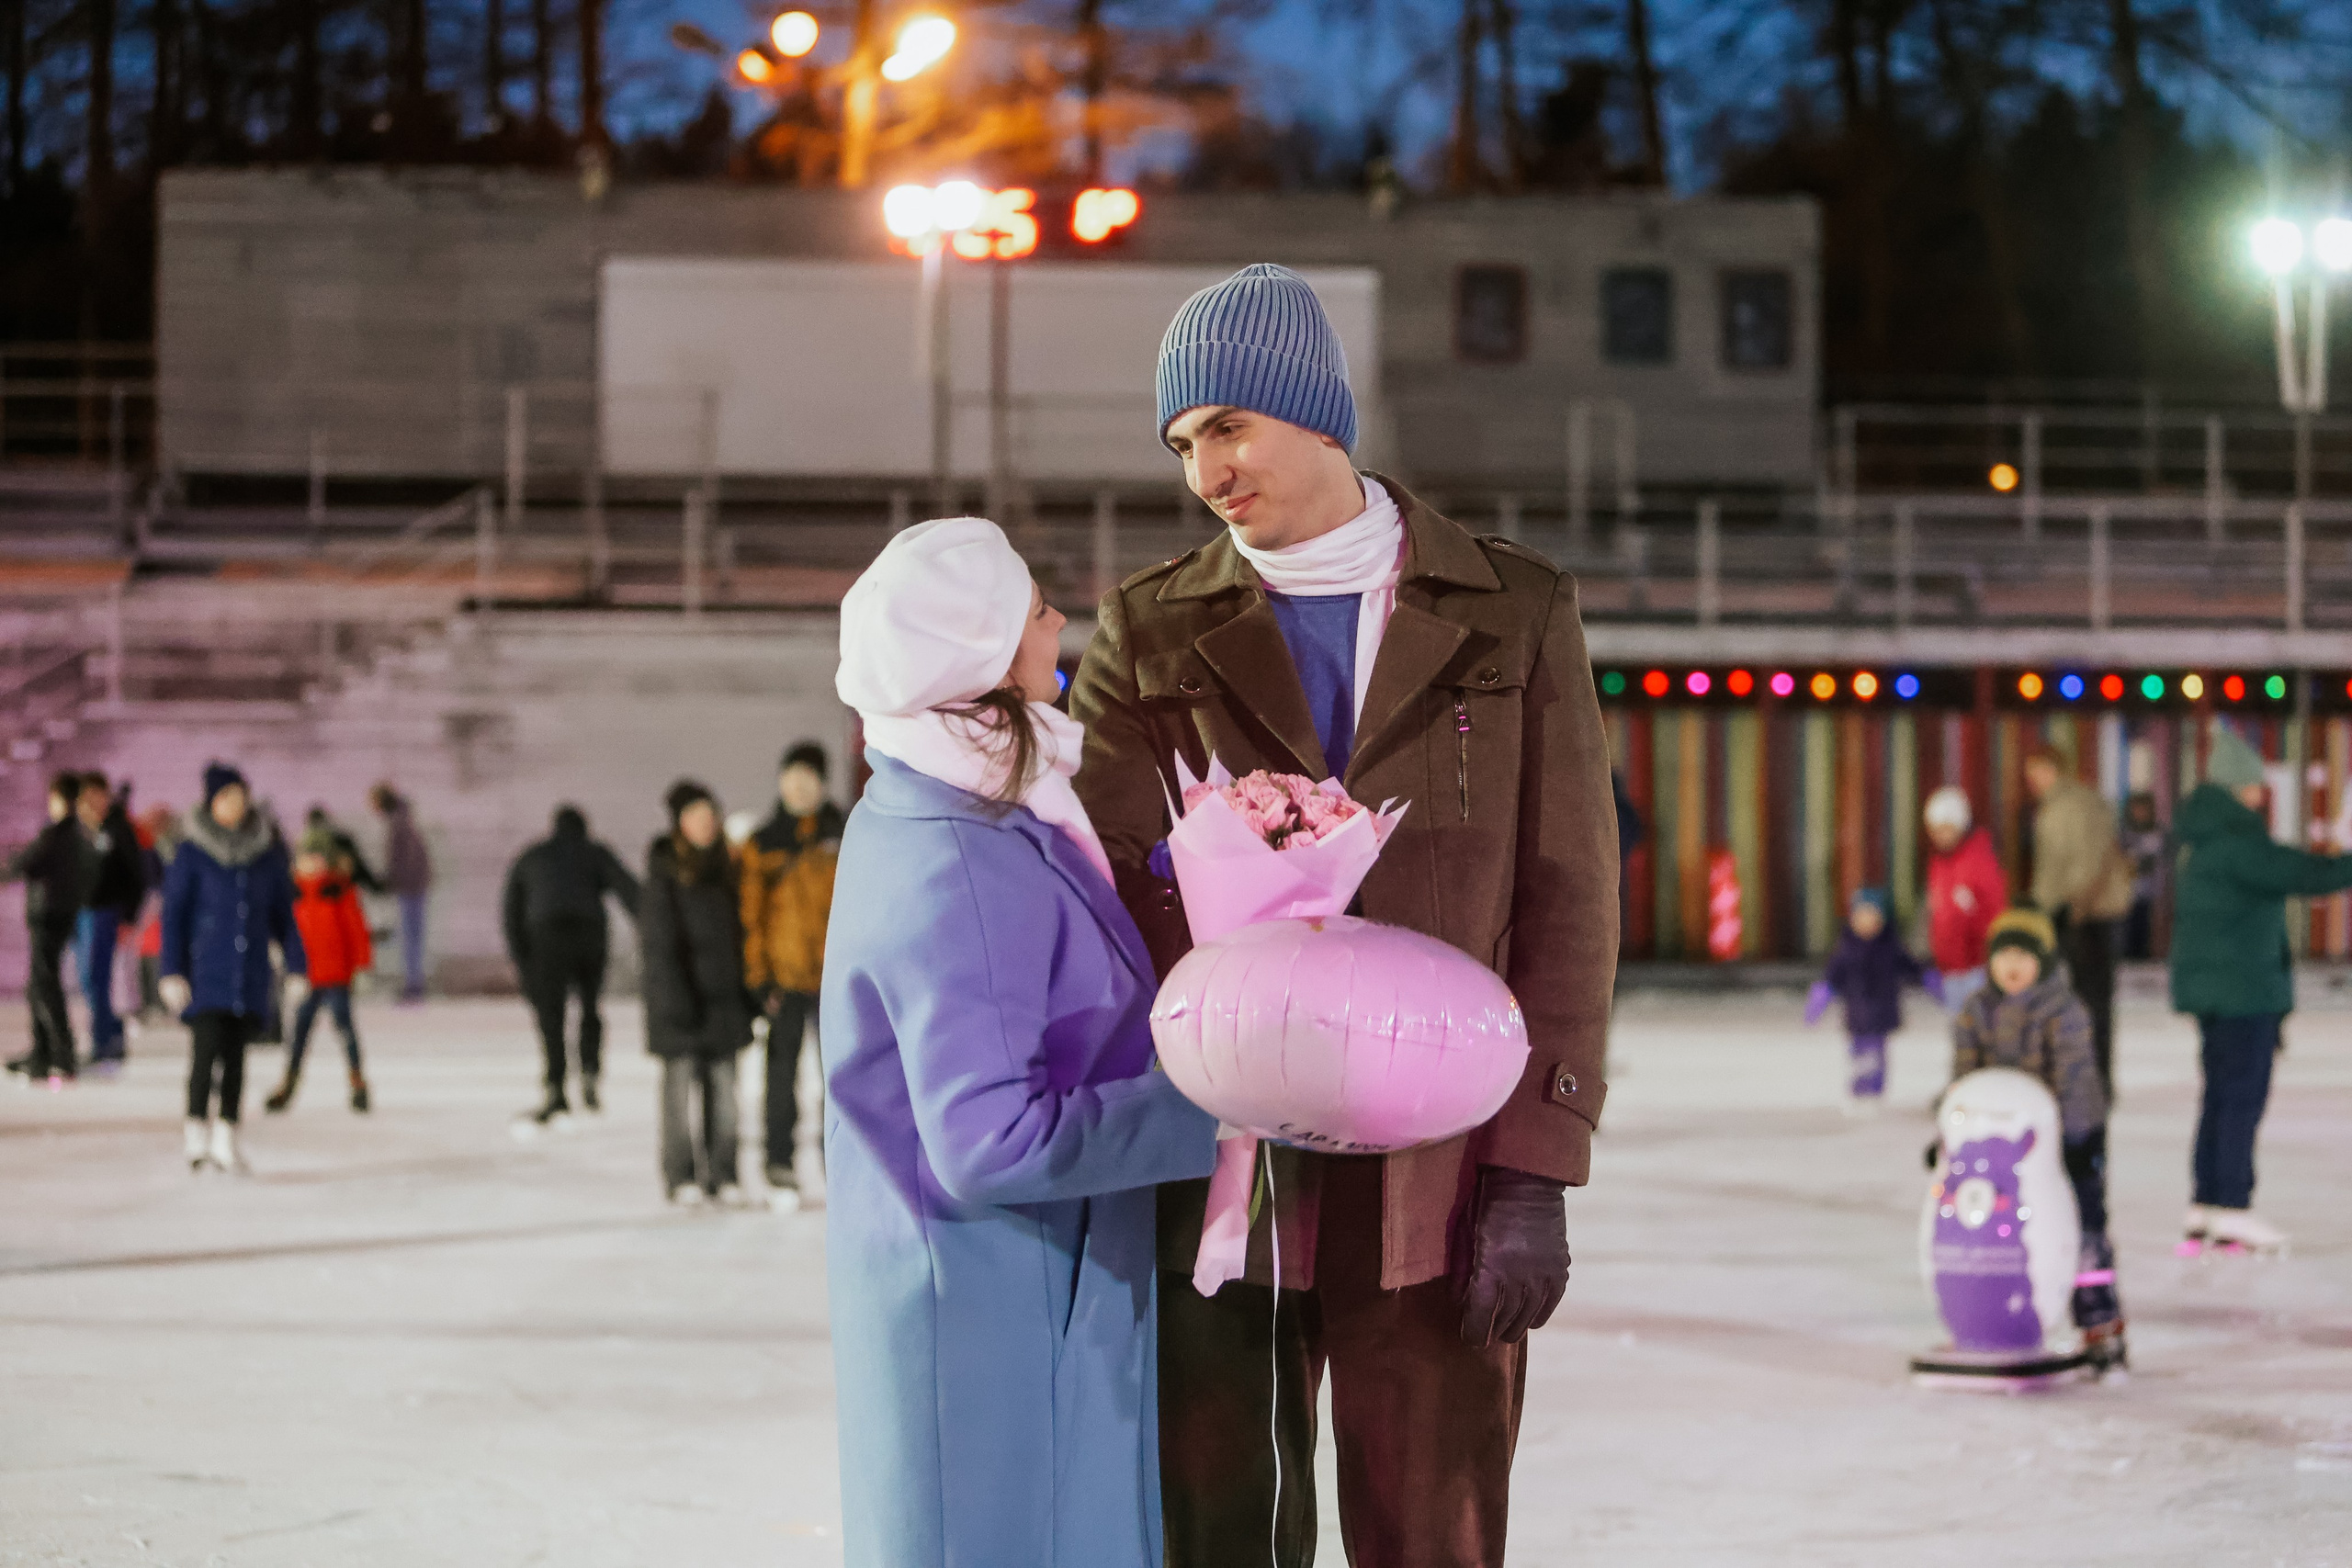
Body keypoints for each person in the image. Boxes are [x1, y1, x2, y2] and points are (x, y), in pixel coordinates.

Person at [1070, 264, 1617, 1567]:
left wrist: (1538, 1158)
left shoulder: (1513, 608)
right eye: (1184, 442)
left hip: (1442, 1175)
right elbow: (1098, 894)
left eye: (1227, 425)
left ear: (1314, 410)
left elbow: (1569, 894)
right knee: (1224, 1540)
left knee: (1433, 1534)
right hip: (1220, 1181)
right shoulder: (1147, 630)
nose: (1207, 467)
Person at [823, 517, 1220, 1568]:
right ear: (982, 654)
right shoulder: (956, 855)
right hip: (996, 1329)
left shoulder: (957, 806)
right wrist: (1216, 1108)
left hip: (1022, 1303)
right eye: (1032, 605)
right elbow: (990, 1138)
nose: (1057, 619)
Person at [2169, 728, 2352, 1254]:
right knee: (2240, 1099)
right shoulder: (2234, 842)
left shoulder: (2209, 839)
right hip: (2242, 992)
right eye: (2252, 785)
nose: (2259, 794)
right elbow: (2298, 873)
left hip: (2221, 990)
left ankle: (2205, 1205)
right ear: (2233, 787)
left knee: (2220, 1096)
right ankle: (2231, 1206)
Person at [1942, 908, 2124, 1368]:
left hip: (2068, 1141)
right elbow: (1964, 1081)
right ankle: (1992, 1318)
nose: (2012, 966)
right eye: (2004, 955)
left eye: (2024, 955)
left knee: (2084, 1229)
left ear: (2043, 960)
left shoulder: (2063, 1011)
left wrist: (2079, 1142)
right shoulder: (1976, 1011)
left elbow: (2078, 1080)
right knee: (1990, 1229)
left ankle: (2099, 1324)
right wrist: (1952, 1137)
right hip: (2002, 1152)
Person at [161, 763, 306, 1174]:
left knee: (237, 1059)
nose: (236, 806)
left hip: (248, 974)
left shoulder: (267, 854)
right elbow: (174, 915)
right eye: (227, 798)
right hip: (205, 973)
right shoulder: (191, 854)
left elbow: (283, 916)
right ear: (211, 803)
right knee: (205, 1056)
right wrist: (171, 970)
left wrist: (297, 967)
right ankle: (195, 1136)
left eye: (240, 797)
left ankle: (227, 1136)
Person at [740, 740, 845, 1201]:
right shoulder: (763, 842)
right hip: (783, 978)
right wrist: (758, 976)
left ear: (822, 784)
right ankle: (779, 1161)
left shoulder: (845, 832)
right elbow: (751, 917)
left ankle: (838, 1160)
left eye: (807, 779)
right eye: (791, 778)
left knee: (839, 1078)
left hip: (835, 978)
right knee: (780, 1077)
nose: (798, 788)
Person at [640, 780, 752, 1204]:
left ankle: (723, 1174)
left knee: (724, 1100)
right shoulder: (664, 869)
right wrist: (674, 1001)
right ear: (679, 824)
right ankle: (680, 1175)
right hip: (679, 1003)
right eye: (696, 817)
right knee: (677, 1099)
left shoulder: (729, 868)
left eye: (711, 816)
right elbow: (658, 944)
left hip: (724, 1002)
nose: (706, 824)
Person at [503, 805, 640, 1124]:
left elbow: (511, 907)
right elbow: (629, 891)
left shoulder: (533, 856)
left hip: (545, 939)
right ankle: (590, 1074)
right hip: (588, 938)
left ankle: (555, 1086)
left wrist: (520, 955)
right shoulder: (594, 853)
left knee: (552, 1016)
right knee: (590, 1009)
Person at [2024, 744, 2132, 1098]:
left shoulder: (2070, 806)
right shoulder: (2068, 804)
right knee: (2086, 999)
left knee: (2088, 1001)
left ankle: (2092, 1077)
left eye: (2036, 771)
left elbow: (2084, 862)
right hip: (2080, 912)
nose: (2031, 781)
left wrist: (2069, 907)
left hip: (2085, 915)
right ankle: (2088, 1073)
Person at [265, 828, 374, 1114]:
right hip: (306, 978)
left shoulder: (339, 891)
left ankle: (357, 1082)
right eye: (306, 858)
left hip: (337, 976)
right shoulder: (291, 894)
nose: (312, 864)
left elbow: (357, 931)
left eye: (317, 858)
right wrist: (279, 954)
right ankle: (288, 1083)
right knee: (298, 1034)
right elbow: (282, 931)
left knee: (346, 1031)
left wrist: (362, 966)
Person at [1806, 887, 1941, 1109]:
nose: (1867, 922)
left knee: (1877, 1053)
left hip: (1882, 1012)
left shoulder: (1891, 947)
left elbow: (1910, 967)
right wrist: (1820, 998)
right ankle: (1859, 1090)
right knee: (1859, 1053)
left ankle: (1875, 1092)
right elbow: (1833, 977)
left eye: (1872, 916)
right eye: (1861, 916)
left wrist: (1928, 979)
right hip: (1857, 1013)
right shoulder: (1845, 950)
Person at [4, 773, 96, 1085]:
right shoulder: (77, 836)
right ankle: (43, 1053)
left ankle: (59, 1054)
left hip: (48, 917)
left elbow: (25, 863)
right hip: (59, 915)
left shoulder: (57, 835)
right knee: (40, 985)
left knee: (45, 986)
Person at [75, 772, 149, 1070]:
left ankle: (104, 1040)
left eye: (99, 795)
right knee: (86, 978)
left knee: (98, 977)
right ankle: (111, 1033)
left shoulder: (118, 827)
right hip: (80, 912)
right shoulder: (78, 829)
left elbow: (136, 873)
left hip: (106, 911)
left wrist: (129, 914)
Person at [1923, 785, 2007, 1007]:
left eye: (1946, 829)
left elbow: (1993, 909)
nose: (1941, 836)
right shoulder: (1940, 864)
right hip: (1950, 967)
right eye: (1935, 830)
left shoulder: (1979, 861)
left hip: (1977, 965)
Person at [370, 783, 432, 1002]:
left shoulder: (398, 824)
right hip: (414, 885)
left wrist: (390, 881)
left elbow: (399, 859)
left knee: (410, 936)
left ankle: (414, 985)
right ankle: (414, 982)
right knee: (412, 935)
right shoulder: (403, 820)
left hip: (410, 886)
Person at [2120, 793, 2166, 959]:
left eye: (2142, 808)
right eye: (2136, 808)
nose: (2139, 812)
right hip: (2127, 890)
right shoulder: (2125, 833)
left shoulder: (2156, 833)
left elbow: (2153, 861)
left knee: (2144, 925)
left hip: (2149, 890)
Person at [305, 804, 383, 893]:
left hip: (320, 882)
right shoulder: (336, 838)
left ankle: (373, 885)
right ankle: (374, 885)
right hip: (333, 881)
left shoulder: (305, 840)